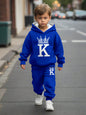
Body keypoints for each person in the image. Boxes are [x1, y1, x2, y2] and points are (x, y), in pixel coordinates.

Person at [19, 3, 65, 111]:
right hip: (36, 65)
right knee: (36, 82)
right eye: (40, 18)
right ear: (35, 18)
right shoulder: (32, 34)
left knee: (50, 82)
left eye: (45, 18)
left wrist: (60, 61)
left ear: (49, 17)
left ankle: (49, 100)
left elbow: (59, 48)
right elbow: (26, 47)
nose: (42, 20)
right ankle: (39, 94)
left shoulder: (53, 33)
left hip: (49, 64)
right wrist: (23, 59)